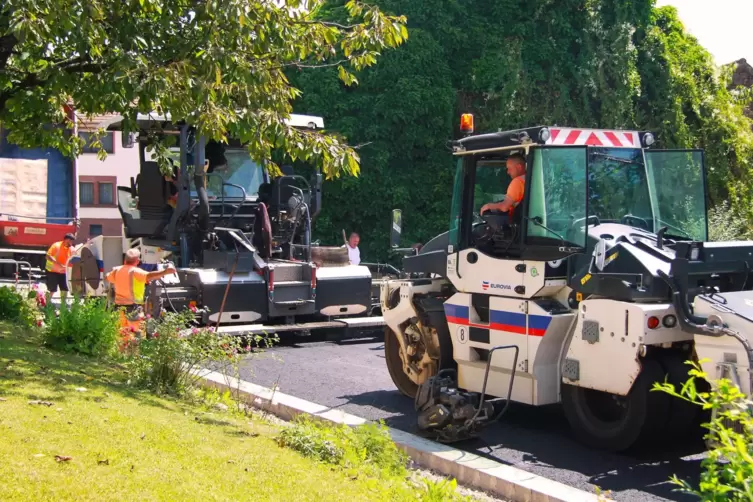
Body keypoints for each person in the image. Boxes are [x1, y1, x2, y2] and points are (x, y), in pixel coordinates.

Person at [105, 248, 177, 331]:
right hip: (132, 308)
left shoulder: (116, 270)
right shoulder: (135, 271)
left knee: (122, 334)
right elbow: (149, 276)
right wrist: (165, 272)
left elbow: (107, 277)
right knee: (136, 333)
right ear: (138, 261)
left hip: (119, 309)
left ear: (125, 260)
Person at [479, 153, 527, 221]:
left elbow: (504, 207)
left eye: (509, 168)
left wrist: (489, 206)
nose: (508, 172)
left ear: (519, 167)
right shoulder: (530, 179)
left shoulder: (518, 181)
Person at [45, 233, 76, 304]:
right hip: (52, 271)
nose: (71, 243)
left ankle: (63, 304)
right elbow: (48, 256)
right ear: (66, 240)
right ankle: (46, 303)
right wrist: (58, 263)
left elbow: (74, 259)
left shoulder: (72, 249)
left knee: (64, 289)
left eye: (72, 242)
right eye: (70, 241)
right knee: (52, 289)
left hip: (64, 272)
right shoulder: (56, 246)